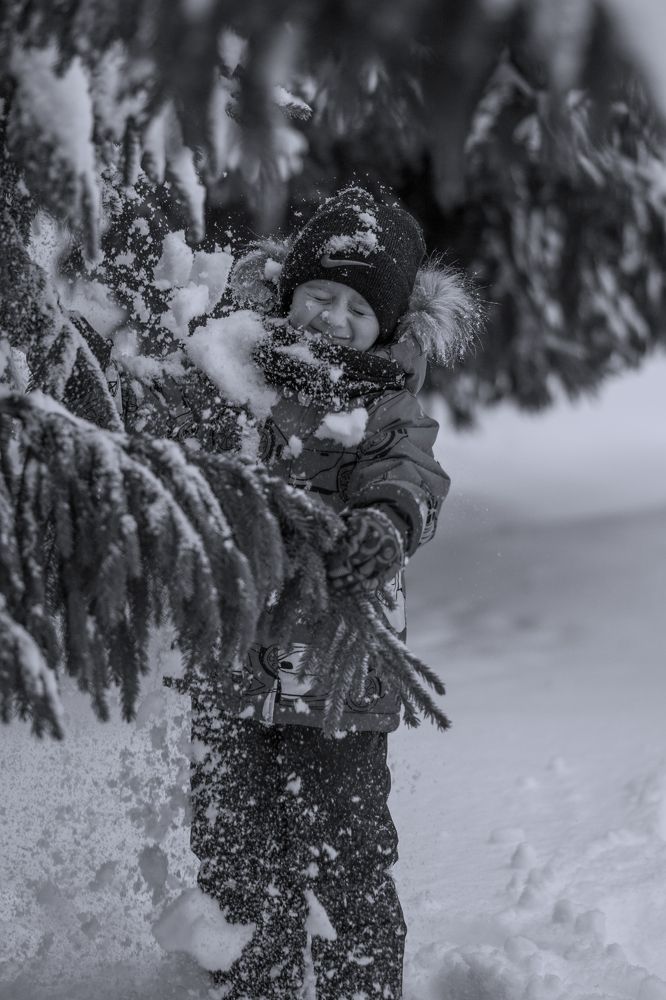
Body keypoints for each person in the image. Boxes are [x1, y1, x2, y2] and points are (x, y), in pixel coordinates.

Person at [188, 186, 478, 999]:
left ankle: (361, 984)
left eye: (357, 306)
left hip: (339, 670)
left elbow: (411, 474)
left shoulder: (386, 406)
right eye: (319, 294)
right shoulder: (230, 364)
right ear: (288, 292)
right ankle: (260, 983)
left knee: (347, 847)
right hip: (229, 660)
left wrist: (384, 523)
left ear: (386, 326)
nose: (332, 317)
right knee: (233, 845)